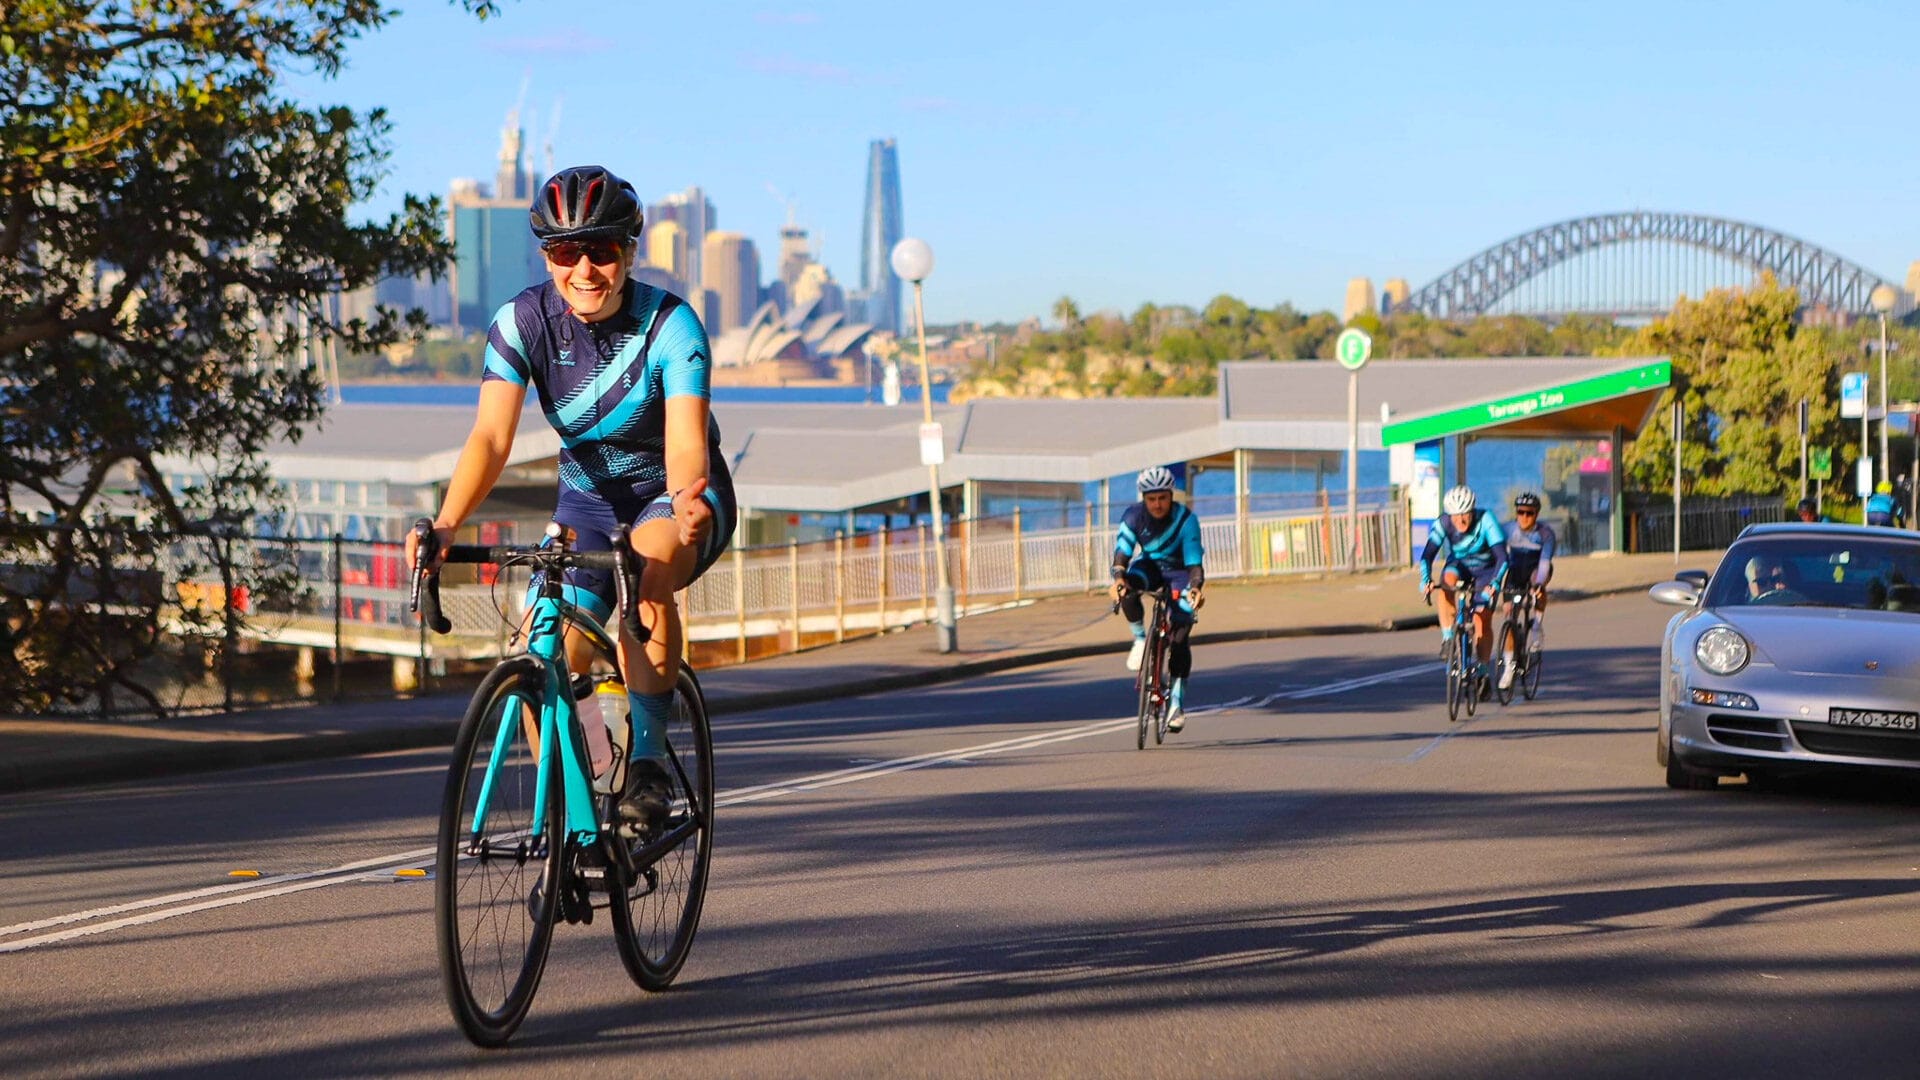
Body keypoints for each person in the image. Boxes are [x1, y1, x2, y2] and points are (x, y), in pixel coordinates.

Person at [404, 165, 736, 834]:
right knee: (539, 647)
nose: (583, 268)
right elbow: (492, 438)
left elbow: (683, 446)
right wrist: (444, 523)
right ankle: (575, 815)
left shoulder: (672, 326)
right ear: (545, 256)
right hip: (584, 508)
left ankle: (646, 767)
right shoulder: (522, 321)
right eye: (564, 252)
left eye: (602, 250)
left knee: (644, 578)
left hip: (674, 498)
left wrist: (687, 497)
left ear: (630, 253)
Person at [1110, 466, 1205, 733]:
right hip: (1149, 567)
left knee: (1180, 635)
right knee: (1127, 588)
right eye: (1151, 499)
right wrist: (1118, 578)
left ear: (1171, 495)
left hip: (1180, 574)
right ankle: (1140, 639)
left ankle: (1176, 702)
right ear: (1143, 498)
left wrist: (1195, 588)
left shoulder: (1186, 519)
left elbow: (1195, 563)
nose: (1157, 504)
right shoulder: (1133, 516)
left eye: (1162, 498)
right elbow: (1122, 552)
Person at [1419, 485, 1510, 690]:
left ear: (1473, 512)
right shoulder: (1443, 522)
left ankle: (1484, 669)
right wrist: (1425, 579)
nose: (1460, 520)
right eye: (1455, 516)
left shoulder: (1486, 520)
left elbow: (1503, 557)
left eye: (1465, 515)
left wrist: (1495, 583)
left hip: (1486, 570)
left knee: (1481, 619)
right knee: (1446, 583)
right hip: (1459, 565)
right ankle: (1448, 638)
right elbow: (1427, 556)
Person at [1497, 492, 1555, 691]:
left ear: (1536, 514)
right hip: (1514, 572)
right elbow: (1495, 551)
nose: (1524, 517)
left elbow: (1545, 561)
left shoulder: (1545, 534)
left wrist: (1538, 584)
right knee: (1508, 615)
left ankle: (1537, 625)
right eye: (1520, 512)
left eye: (1529, 513)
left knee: (1539, 587)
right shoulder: (1507, 529)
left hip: (1535, 569)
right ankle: (1509, 666)